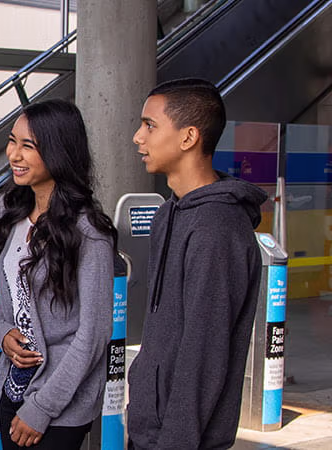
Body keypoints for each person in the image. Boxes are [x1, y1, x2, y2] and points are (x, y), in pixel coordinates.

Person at [127, 78, 266, 449]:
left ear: (188, 137)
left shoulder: (217, 228)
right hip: (150, 430)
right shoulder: (169, 214)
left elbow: (204, 352)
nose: (138, 137)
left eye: (149, 125)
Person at [0, 99, 116, 449]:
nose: (14, 154)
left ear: (59, 151)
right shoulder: (8, 211)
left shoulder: (89, 231)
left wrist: (41, 408)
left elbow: (93, 335)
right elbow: (4, 307)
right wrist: (4, 335)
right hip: (11, 387)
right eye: (12, 141)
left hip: (60, 403)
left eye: (28, 146)